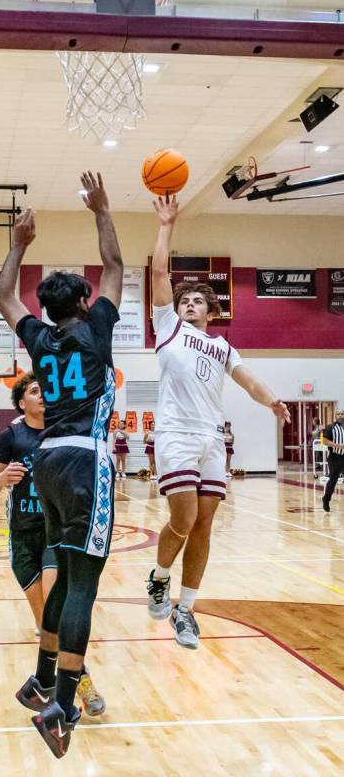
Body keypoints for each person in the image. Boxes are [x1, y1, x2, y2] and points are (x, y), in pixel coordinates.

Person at [0, 170, 123, 758]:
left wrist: (19, 243)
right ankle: (62, 706)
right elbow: (117, 265)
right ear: (85, 302)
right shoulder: (96, 328)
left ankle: (43, 678)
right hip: (85, 462)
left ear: (48, 309)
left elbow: (2, 295)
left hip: (45, 464)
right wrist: (100, 210)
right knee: (80, 587)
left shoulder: (40, 342)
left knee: (66, 580)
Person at [146, 194, 290, 650]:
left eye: (196, 302)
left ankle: (185, 609)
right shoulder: (167, 326)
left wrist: (272, 403)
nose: (188, 304)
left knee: (205, 525)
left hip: (211, 439)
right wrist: (166, 226)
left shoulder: (223, 347)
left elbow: (248, 381)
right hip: (176, 435)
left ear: (210, 312)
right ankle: (159, 576)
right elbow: (156, 274)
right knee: (184, 519)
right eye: (184, 299)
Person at [0, 371, 106, 717]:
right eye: (35, 391)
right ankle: (46, 686)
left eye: (45, 390)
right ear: (22, 402)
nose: (43, 396)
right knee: (45, 623)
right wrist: (3, 478)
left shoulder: (62, 430)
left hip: (55, 532)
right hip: (23, 535)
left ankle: (78, 686)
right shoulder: (12, 436)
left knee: (60, 606)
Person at [321, 409, 344, 512]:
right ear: (335, 416)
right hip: (335, 457)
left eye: (342, 414)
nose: (340, 415)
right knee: (333, 480)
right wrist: (338, 445)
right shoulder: (331, 427)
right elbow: (324, 441)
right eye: (338, 414)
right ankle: (326, 498)